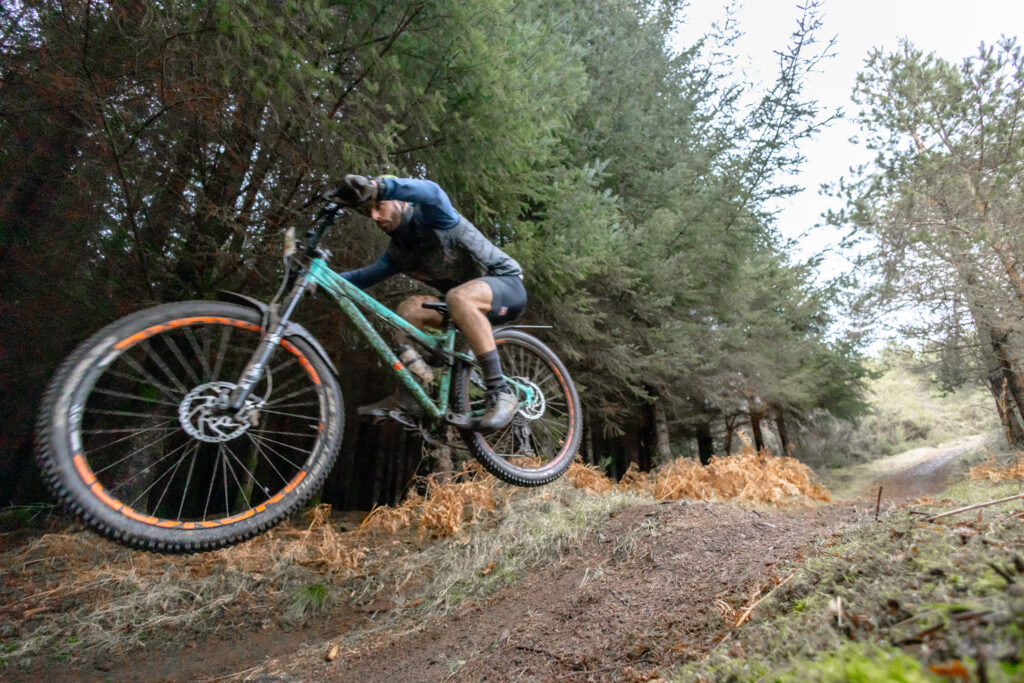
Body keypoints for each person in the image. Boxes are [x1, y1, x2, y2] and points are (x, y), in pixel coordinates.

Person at [329, 174, 526, 433]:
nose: (375, 217)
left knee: (458, 297)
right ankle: (411, 399)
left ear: (399, 200)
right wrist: (320, 276)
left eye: (379, 206)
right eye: (369, 213)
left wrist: (379, 186)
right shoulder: (398, 253)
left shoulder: (433, 215)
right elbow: (360, 279)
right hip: (461, 306)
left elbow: (432, 191)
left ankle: (500, 392)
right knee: (407, 311)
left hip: (506, 284)